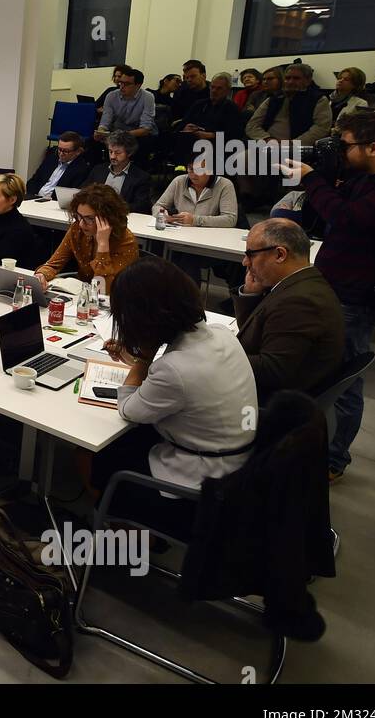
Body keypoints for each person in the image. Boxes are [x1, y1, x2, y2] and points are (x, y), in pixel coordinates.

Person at [288, 111, 375, 480]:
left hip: (354, 295)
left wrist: (313, 179)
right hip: (326, 282)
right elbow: (323, 216)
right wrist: (325, 176)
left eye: (346, 145)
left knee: (343, 379)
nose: (342, 151)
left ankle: (334, 460)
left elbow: (350, 219)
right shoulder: (364, 177)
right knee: (309, 369)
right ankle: (303, 443)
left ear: (374, 147)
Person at [93, 257, 256, 530]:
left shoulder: (174, 369)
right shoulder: (220, 334)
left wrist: (143, 358)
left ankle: (123, 533)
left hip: (198, 487)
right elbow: (184, 385)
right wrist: (137, 358)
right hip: (237, 470)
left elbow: (129, 409)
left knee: (93, 455)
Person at [234, 219, 344, 401]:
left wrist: (217, 355)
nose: (245, 262)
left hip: (269, 404)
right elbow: (254, 335)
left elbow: (271, 370)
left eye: (250, 254)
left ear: (279, 254)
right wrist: (251, 296)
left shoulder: (299, 302)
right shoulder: (302, 283)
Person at [35, 183, 139, 295]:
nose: (81, 224)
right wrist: (41, 275)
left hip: (114, 301)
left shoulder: (126, 241)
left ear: (108, 218)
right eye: (79, 216)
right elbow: (53, 264)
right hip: (82, 293)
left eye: (89, 219)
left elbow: (103, 290)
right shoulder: (77, 229)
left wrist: (103, 245)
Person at [153, 152, 239, 283]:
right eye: (190, 169)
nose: (193, 174)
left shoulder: (225, 185)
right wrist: (162, 215)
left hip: (208, 243)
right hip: (178, 238)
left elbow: (230, 219)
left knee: (187, 259)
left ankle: (187, 299)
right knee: (155, 250)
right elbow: (158, 205)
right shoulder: (179, 181)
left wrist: (195, 220)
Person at [245, 62, 332, 146]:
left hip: (297, 149)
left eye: (296, 78)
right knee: (240, 158)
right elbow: (252, 125)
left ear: (308, 81)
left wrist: (291, 144)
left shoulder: (318, 99)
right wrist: (267, 139)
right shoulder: (273, 99)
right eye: (287, 78)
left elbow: (321, 128)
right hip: (268, 144)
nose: (290, 82)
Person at [173, 72, 244, 163]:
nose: (214, 91)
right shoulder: (199, 104)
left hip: (217, 143)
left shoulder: (232, 108)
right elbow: (184, 122)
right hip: (193, 137)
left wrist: (212, 135)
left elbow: (235, 133)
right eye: (212, 87)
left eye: (219, 88)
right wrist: (186, 127)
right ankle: (180, 170)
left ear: (227, 90)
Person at [84, 131, 152, 214]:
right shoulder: (98, 170)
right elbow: (84, 191)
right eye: (110, 151)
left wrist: (113, 208)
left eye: (118, 153)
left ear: (129, 153)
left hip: (122, 218)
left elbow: (140, 206)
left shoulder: (141, 177)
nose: (112, 156)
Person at [94, 68, 156, 141]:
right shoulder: (111, 96)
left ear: (138, 85)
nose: (122, 86)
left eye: (127, 84)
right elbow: (105, 120)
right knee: (93, 142)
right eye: (121, 83)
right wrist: (101, 131)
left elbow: (145, 128)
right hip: (116, 132)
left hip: (136, 134)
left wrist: (122, 135)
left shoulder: (148, 97)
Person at [29, 131, 93, 200]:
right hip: (35, 198)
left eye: (66, 151)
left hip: (55, 203)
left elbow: (70, 195)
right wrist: (32, 196)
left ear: (78, 152)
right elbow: (33, 181)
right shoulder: (51, 159)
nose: (61, 154)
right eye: (59, 149)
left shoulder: (82, 169)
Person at [170, 60, 210, 126]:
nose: (189, 80)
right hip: (185, 130)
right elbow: (174, 119)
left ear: (203, 76)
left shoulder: (214, 91)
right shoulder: (180, 92)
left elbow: (221, 125)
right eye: (187, 77)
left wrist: (215, 135)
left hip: (210, 131)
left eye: (193, 76)